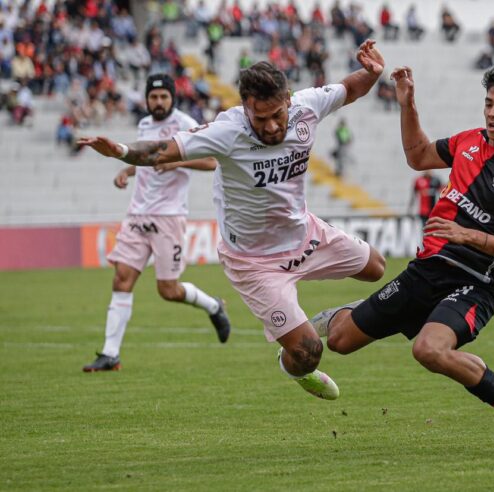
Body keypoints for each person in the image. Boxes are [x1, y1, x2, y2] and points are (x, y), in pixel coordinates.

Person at [78, 41, 387, 399]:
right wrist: (121, 151)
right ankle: (290, 358)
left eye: (277, 115)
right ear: (245, 108)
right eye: (260, 118)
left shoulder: (307, 106)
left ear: (289, 99)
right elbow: (166, 149)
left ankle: (316, 321)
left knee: (376, 268)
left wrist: (372, 73)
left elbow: (349, 89)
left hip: (305, 235)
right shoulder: (227, 131)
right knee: (307, 354)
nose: (271, 126)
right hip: (254, 262)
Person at [309, 66, 494, 454]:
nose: (492, 112)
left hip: (474, 284)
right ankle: (352, 312)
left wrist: (466, 235)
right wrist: (408, 105)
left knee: (429, 350)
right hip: (424, 272)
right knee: (338, 341)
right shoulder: (468, 141)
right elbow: (419, 156)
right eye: (489, 103)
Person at [82, 74, 231, 372]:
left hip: (169, 216)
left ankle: (213, 305)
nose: (159, 102)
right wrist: (129, 171)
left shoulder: (186, 123)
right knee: (122, 278)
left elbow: (213, 161)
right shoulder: (145, 125)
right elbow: (146, 160)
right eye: (154, 97)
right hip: (138, 214)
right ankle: (111, 354)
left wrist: (177, 162)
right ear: (147, 99)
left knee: (168, 290)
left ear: (173, 97)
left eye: (164, 97)